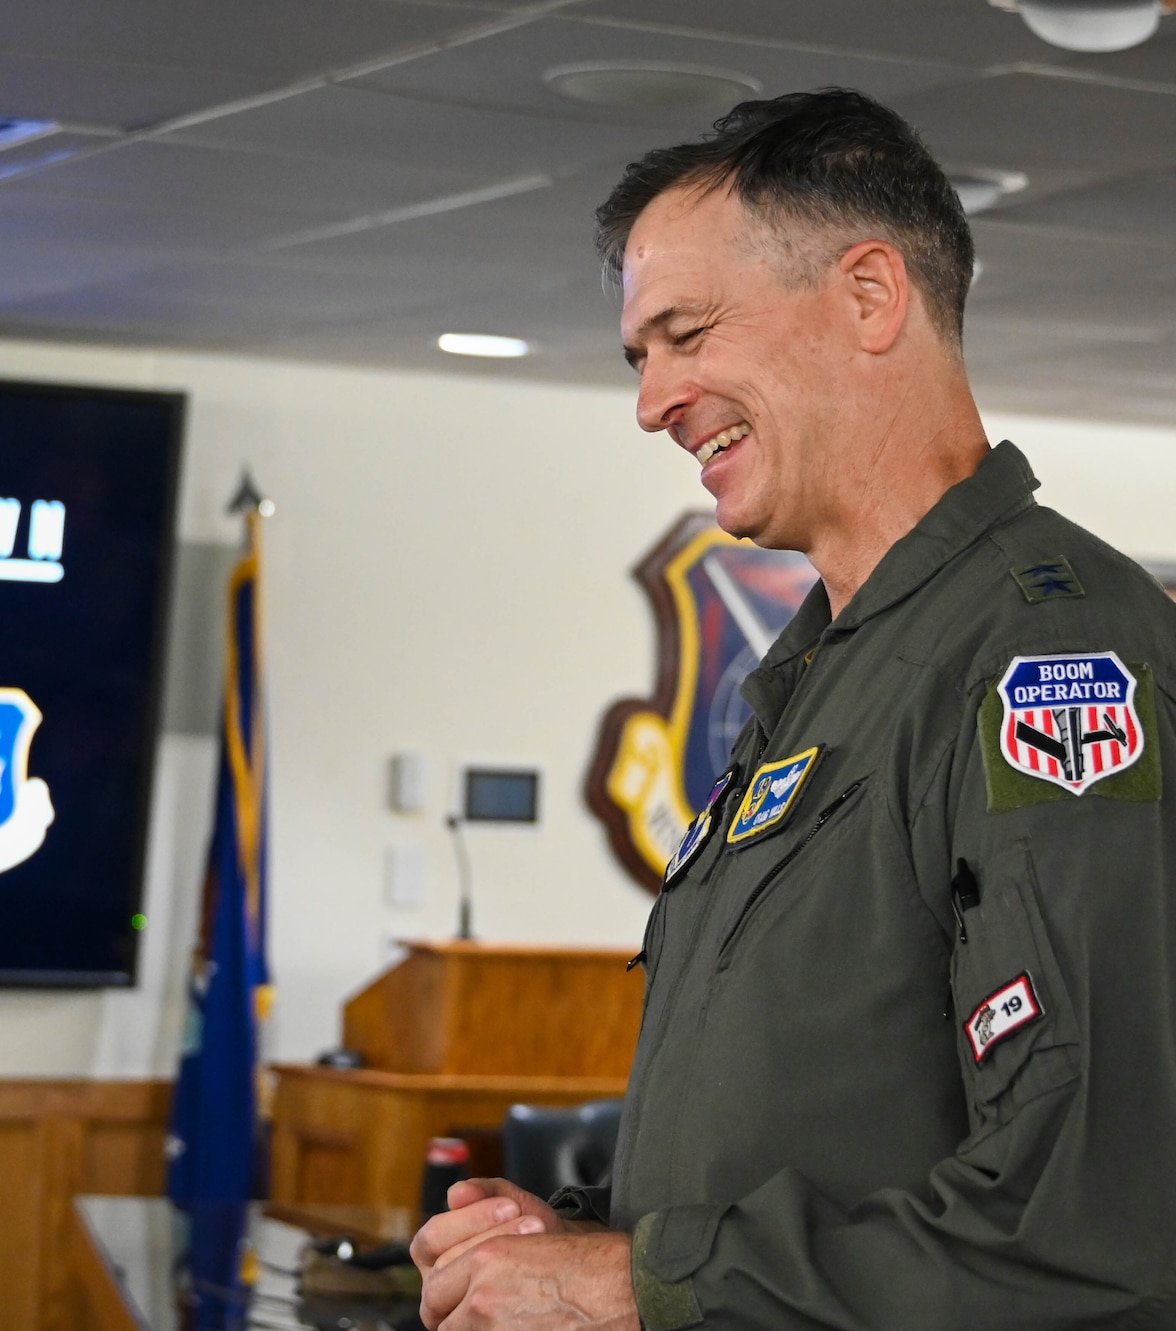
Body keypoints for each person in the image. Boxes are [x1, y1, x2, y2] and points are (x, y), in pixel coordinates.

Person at [411, 87, 1176, 1330]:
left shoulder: (1045, 650)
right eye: (639, 355)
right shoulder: (828, 667)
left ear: (869, 297)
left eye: (687, 332)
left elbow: (1089, 1226)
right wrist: (588, 1237)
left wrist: (640, 1283)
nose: (652, 401)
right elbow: (833, 1118)